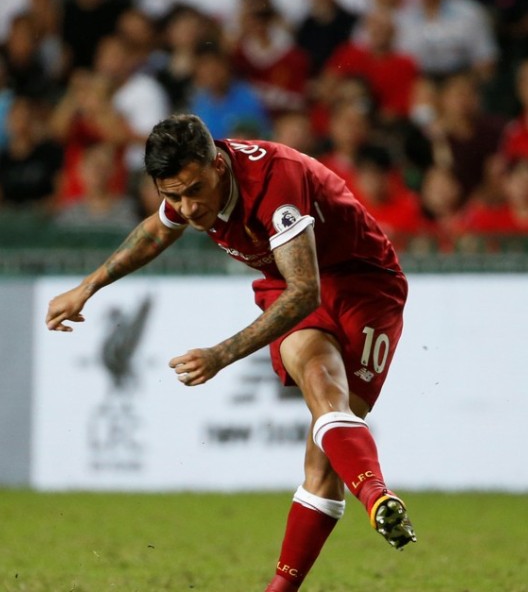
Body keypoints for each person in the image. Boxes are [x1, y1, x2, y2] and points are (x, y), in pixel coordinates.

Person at [45, 114, 416, 592]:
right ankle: (375, 500)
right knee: (324, 393)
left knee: (323, 461)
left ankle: (372, 498)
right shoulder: (189, 191)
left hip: (365, 285)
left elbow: (306, 291)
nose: (187, 207)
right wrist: (88, 286)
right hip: (288, 280)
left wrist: (221, 354)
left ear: (218, 164)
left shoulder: (274, 184)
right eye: (172, 195)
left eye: (193, 191)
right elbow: (158, 231)